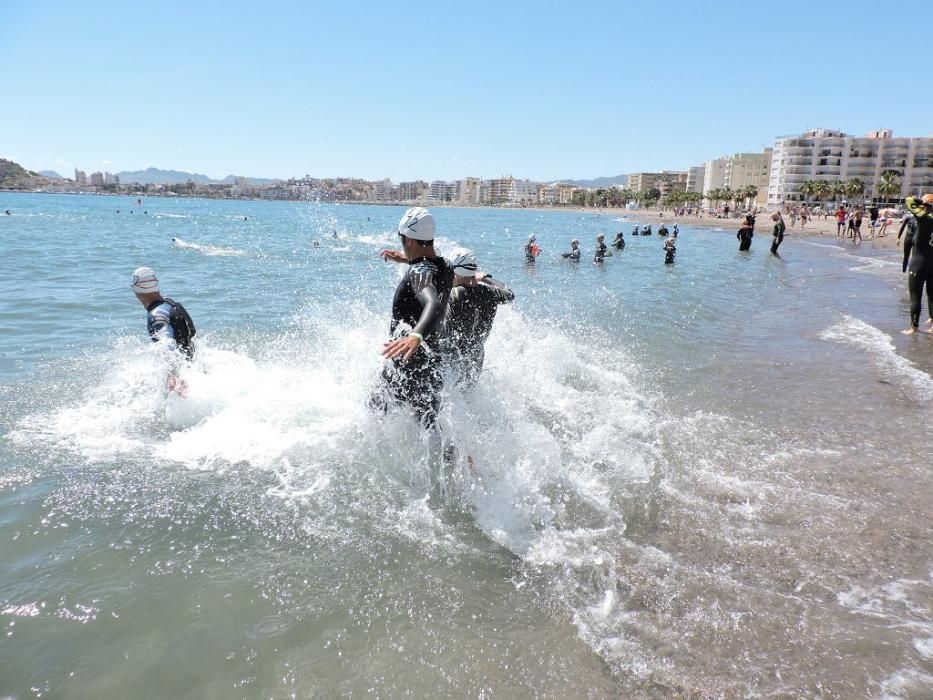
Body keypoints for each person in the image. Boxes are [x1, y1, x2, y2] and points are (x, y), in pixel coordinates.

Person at [371, 207, 454, 428]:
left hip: (407, 365)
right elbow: (430, 267)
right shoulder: (446, 267)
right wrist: (408, 260)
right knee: (430, 427)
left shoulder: (419, 272)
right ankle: (461, 459)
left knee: (373, 416)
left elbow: (433, 303)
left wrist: (416, 335)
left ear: (408, 240)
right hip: (432, 365)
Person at [443, 250, 514, 386]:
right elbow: (510, 294)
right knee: (468, 396)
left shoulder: (455, 294)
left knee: (451, 397)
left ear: (456, 272)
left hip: (452, 355)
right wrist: (486, 278)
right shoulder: (489, 292)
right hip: (476, 354)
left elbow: (443, 327)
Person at [131, 267, 197, 394]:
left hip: (179, 377)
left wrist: (173, 374)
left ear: (135, 289)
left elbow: (167, 343)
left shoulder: (156, 314)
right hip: (192, 367)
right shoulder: (170, 305)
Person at [901, 194, 933, 334]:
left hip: (918, 263)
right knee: (932, 294)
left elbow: (909, 200)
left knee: (915, 296)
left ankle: (914, 327)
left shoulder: (923, 219)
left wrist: (925, 202)